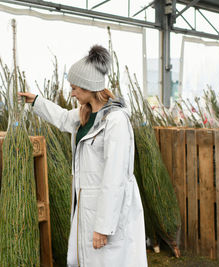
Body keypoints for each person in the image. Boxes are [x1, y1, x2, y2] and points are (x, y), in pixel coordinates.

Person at [18, 45, 147, 267]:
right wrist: (36, 101)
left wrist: (104, 227)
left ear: (89, 87)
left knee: (109, 261)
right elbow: (61, 118)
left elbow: (114, 177)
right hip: (87, 202)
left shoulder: (115, 121)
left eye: (75, 88)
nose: (72, 93)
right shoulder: (86, 113)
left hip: (107, 208)